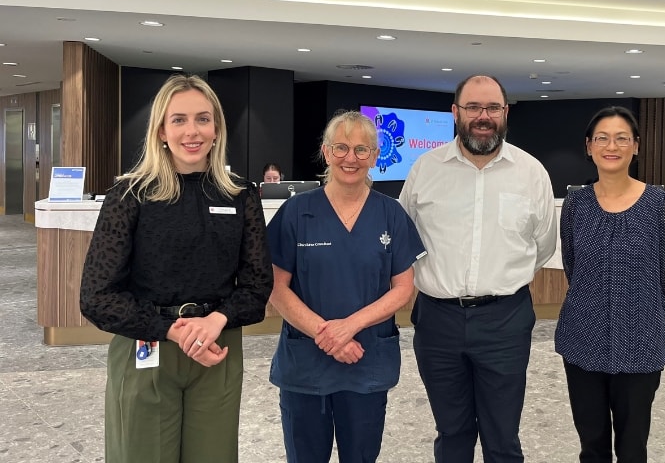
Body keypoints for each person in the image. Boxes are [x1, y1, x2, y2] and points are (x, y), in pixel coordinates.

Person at [79, 74, 273, 463]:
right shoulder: (129, 195)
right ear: (161, 131)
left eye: (203, 119)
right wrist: (172, 330)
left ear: (216, 128)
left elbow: (256, 287)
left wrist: (214, 322)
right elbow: (96, 297)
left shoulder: (240, 195)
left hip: (217, 346)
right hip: (146, 346)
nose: (192, 131)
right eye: (179, 120)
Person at [399, 74, 557, 463]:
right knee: (452, 433)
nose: (482, 116)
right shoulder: (425, 169)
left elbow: (543, 247)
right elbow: (404, 237)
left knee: (502, 438)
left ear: (505, 114)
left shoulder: (531, 173)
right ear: (455, 113)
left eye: (492, 108)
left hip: (505, 321)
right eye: (473, 107)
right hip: (438, 322)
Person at [266, 110, 426, 463]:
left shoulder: (391, 215)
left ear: (375, 156)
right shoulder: (295, 212)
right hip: (306, 367)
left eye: (361, 149)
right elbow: (276, 287)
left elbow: (403, 289)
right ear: (326, 152)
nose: (350, 158)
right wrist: (327, 334)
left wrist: (349, 327)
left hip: (365, 361)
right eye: (340, 148)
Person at [554, 105, 665, 463]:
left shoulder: (660, 205)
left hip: (641, 344)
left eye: (622, 138)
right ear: (589, 146)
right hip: (583, 342)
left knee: (632, 447)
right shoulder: (576, 204)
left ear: (636, 146)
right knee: (591, 445)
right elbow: (573, 267)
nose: (612, 146)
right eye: (603, 138)